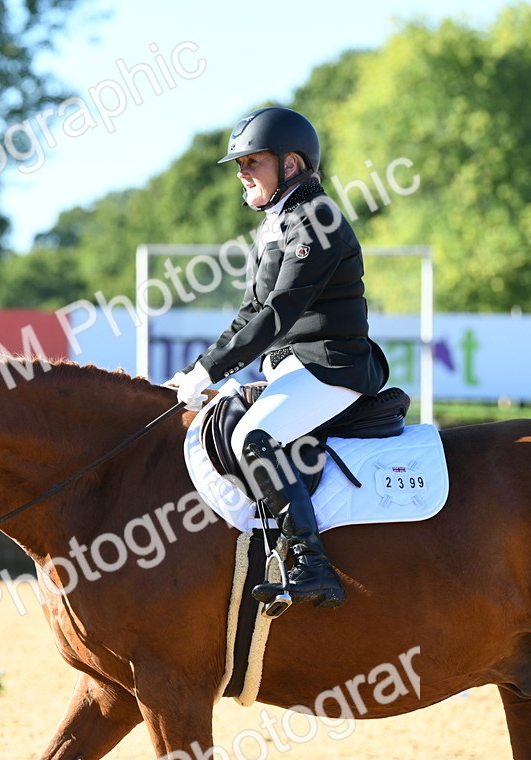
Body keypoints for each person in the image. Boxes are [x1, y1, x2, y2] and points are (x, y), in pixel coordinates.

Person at [165, 106, 389, 609]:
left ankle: (313, 564)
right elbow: (250, 314)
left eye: (252, 162)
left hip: (331, 365)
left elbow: (279, 314)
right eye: (239, 164)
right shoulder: (277, 223)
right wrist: (198, 368)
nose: (241, 173)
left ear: (290, 165)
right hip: (294, 367)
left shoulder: (317, 218)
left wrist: (212, 369)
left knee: (253, 436)